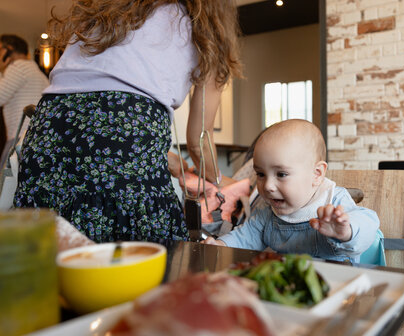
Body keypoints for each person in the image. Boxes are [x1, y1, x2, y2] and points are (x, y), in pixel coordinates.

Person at [13, 0, 242, 245]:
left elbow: (95, 124)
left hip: (49, 124)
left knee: (53, 251)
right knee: (139, 256)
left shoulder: (116, 9)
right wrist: (221, 183)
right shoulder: (207, 28)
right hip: (127, 129)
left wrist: (166, 158)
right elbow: (199, 140)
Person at [203, 119, 386, 266]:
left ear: (316, 174)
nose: (268, 186)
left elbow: (369, 222)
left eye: (281, 174)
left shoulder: (332, 202)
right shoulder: (267, 212)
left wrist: (346, 230)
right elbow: (245, 236)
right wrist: (221, 245)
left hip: (338, 288)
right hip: (290, 286)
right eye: (260, 174)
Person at [0, 34, 49, 158]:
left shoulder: (18, 67)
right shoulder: (35, 71)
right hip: (36, 136)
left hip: (21, 135)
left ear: (6, 49)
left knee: (7, 176)